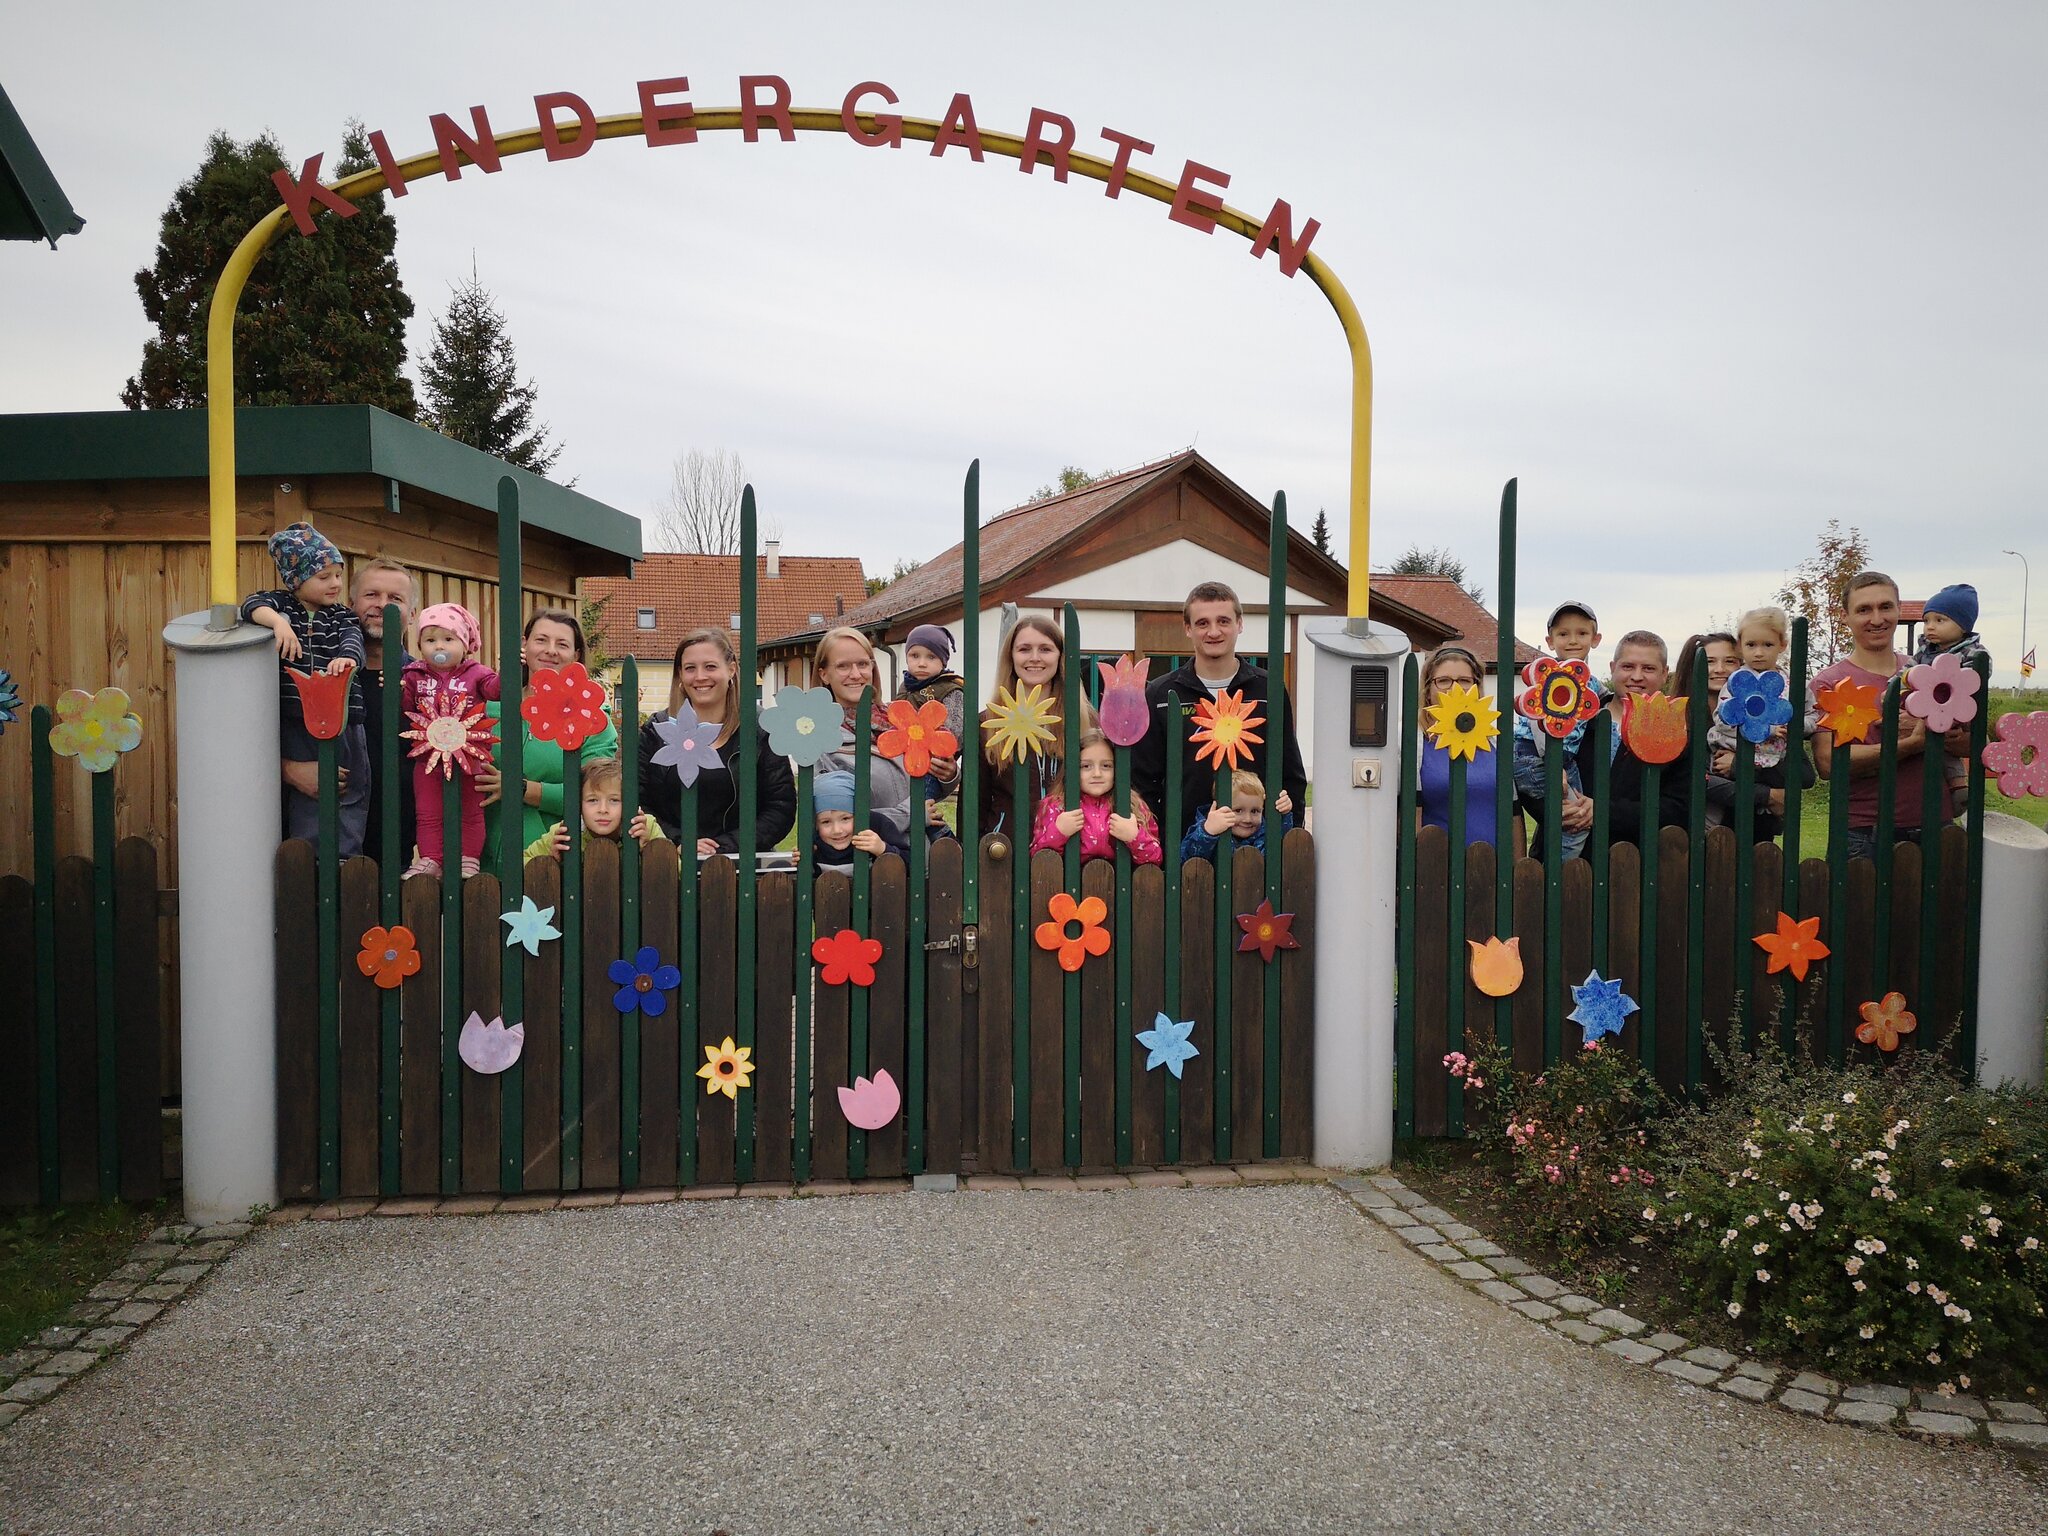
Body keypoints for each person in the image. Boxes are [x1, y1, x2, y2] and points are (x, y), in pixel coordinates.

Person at [1132, 582, 1303, 839]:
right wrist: (1163, 842)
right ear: (1188, 629)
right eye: (1202, 623)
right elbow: (1143, 782)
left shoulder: (1268, 690)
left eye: (1223, 621)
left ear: (1239, 624)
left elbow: (1291, 774)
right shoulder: (1161, 694)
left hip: (1256, 849)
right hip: (1184, 850)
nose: (1213, 632)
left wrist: (1286, 841)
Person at [239, 521, 368, 855]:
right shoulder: (282, 606)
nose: (335, 584)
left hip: (343, 717)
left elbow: (353, 641)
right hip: (296, 715)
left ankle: (344, 854)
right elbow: (252, 606)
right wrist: (279, 622)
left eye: (338, 575)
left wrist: (346, 660)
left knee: (349, 784)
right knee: (307, 794)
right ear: (296, 580)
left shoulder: (341, 616)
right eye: (324, 577)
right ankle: (306, 856)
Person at [1811, 570, 1954, 859]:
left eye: (1885, 607)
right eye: (1864, 609)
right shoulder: (1828, 683)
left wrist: (1936, 728)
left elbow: (1970, 744)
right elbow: (1828, 764)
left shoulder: (1928, 673)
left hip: (1938, 827)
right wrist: (1910, 744)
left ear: (1899, 610)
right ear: (1845, 617)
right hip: (1865, 835)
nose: (1877, 619)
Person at [479, 609, 621, 874]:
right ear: (524, 644)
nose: (550, 651)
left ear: (576, 656)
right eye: (541, 640)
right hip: (479, 862)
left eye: (562, 644)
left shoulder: (593, 719)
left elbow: (598, 792)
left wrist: (522, 789)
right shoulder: (490, 709)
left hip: (551, 862)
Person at [636, 628, 795, 856]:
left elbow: (780, 807)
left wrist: (721, 847)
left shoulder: (760, 728)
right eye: (690, 668)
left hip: (743, 864)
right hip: (670, 864)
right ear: (680, 674)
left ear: (731, 669)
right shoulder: (656, 731)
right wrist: (677, 841)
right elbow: (640, 802)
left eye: (710, 666)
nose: (700, 676)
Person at [813, 627, 955, 844]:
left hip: (922, 856)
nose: (855, 674)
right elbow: (835, 819)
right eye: (843, 666)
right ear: (824, 674)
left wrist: (948, 775)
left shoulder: (899, 717)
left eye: (862, 664)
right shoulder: (819, 740)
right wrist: (912, 814)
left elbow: (923, 783)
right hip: (871, 863)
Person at [401, 602, 501, 878]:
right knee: (428, 811)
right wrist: (397, 690)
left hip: (470, 756)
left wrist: (512, 675)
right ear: (420, 644)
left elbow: (495, 691)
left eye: (448, 639)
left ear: (466, 643)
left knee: (471, 810)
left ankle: (469, 858)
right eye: (430, 640)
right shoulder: (414, 674)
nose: (439, 647)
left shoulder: (477, 673)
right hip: (427, 757)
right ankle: (431, 858)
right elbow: (405, 707)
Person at [976, 613, 1093, 841]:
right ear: (1011, 656)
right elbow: (975, 803)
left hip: (1071, 852)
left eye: (1046, 649)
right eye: (1024, 649)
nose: (1035, 657)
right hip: (1004, 851)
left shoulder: (1086, 722)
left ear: (1060, 657)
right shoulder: (987, 724)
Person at [1704, 606, 1811, 840]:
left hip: (1773, 759)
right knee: (1731, 829)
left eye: (1768, 645)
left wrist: (1798, 727)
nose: (1759, 653)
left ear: (1782, 645)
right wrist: (1770, 728)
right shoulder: (1737, 682)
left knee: (1762, 839)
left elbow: (1812, 716)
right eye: (1751, 645)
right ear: (1741, 645)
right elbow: (1724, 717)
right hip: (1732, 752)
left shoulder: (1792, 685)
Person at [1511, 601, 1604, 860]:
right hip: (1537, 757)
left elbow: (1601, 702)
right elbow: (1539, 721)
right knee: (1575, 823)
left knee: (1576, 814)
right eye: (1563, 634)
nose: (1573, 640)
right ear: (1550, 641)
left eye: (1582, 633)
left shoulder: (1591, 683)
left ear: (1595, 639)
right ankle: (1559, 874)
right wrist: (1552, 763)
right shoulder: (1547, 676)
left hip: (1563, 760)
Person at [350, 557, 417, 866]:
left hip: (401, 849)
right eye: (371, 595)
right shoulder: (326, 674)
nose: (382, 605)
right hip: (327, 839)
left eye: (395, 599)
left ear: (412, 614)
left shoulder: (426, 684)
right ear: (351, 604)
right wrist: (292, 769)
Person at [1416, 645, 1512, 850]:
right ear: (1428, 690)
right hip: (1435, 870)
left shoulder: (1494, 741)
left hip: (1492, 869)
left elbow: (1513, 812)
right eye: (1443, 681)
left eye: (1464, 681)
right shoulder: (1414, 743)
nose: (1455, 689)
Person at [1030, 729, 1164, 865]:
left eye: (1106, 765)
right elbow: (1038, 860)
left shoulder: (1133, 805)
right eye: (1086, 766)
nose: (1097, 773)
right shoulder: (1056, 806)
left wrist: (1134, 837)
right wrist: (1059, 832)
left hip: (1119, 884)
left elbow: (1155, 859)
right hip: (1069, 885)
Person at [526, 754, 664, 861]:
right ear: (579, 803)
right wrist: (550, 861)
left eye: (614, 800)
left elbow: (679, 872)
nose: (603, 809)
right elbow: (521, 866)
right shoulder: (564, 834)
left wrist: (649, 850)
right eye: (592, 800)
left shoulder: (646, 827)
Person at [901, 623, 965, 840]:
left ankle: (944, 839)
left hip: (933, 765)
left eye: (931, 657)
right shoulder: (906, 688)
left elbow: (955, 732)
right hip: (905, 763)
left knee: (921, 806)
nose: (921, 663)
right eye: (914, 655)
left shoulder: (950, 689)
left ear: (943, 661)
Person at [1180, 768, 1290, 861]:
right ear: (1219, 808)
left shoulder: (1263, 834)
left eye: (1255, 811)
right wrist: (1208, 832)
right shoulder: (1206, 829)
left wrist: (1282, 815)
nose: (1248, 819)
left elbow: (1278, 847)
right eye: (1238, 811)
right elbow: (1187, 858)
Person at [811, 769, 908, 870]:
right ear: (816, 824)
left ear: (860, 814)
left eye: (845, 818)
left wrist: (883, 849)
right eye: (826, 822)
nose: (837, 830)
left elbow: (911, 864)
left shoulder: (878, 825)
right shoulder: (813, 840)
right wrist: (803, 860)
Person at [1667, 631, 1739, 702]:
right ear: (1691, 667)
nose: (1720, 669)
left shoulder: (1749, 712)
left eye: (1729, 661)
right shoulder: (1672, 712)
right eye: (1709, 661)